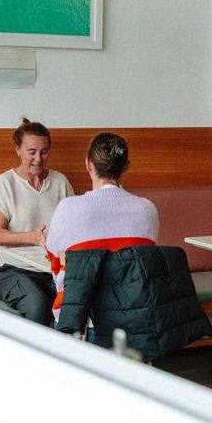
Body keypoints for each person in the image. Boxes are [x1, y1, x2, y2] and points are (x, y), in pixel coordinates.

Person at [46, 132, 159, 322]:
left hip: (82, 323)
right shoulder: (147, 209)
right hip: (137, 321)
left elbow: (56, 264)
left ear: (88, 164)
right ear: (126, 167)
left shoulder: (67, 208)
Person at [0, 118, 74, 326]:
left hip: (52, 270)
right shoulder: (5, 183)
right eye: (32, 151)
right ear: (18, 150)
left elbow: (72, 229)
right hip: (12, 270)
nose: (38, 158)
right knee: (38, 306)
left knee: (78, 302)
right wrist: (33, 237)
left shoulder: (60, 182)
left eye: (44, 151)